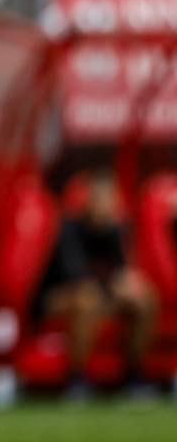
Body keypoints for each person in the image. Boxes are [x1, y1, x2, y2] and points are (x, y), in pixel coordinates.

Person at [35, 170, 160, 400]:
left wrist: (130, 287)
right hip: (58, 297)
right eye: (102, 199)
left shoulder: (116, 230)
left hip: (102, 294)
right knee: (87, 299)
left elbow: (123, 273)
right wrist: (116, 287)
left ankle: (135, 376)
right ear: (89, 201)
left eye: (112, 200)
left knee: (144, 300)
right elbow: (76, 277)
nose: (109, 206)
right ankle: (77, 379)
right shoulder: (69, 228)